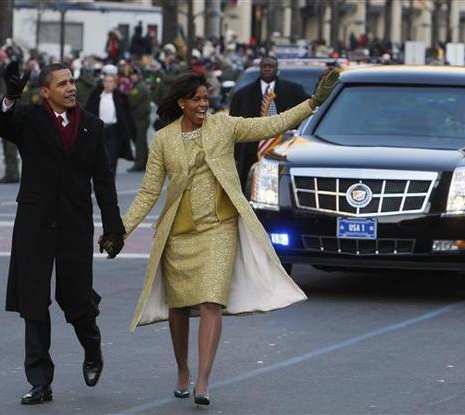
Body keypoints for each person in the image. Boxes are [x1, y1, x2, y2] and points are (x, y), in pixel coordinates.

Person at [122, 69, 339, 406]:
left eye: (206, 99)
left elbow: (269, 125)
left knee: (211, 302)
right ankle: (183, 370)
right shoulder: (164, 140)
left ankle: (204, 381)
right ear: (181, 103)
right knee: (179, 308)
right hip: (179, 235)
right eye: (196, 100)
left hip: (219, 228)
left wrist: (313, 102)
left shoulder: (223, 125)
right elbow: (149, 191)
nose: (203, 105)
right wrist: (120, 231)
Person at [0, 62, 126, 404]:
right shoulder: (29, 119)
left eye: (71, 81)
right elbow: (1, 125)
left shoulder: (93, 127)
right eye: (62, 83)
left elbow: (104, 182)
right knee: (34, 301)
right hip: (34, 222)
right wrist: (9, 97)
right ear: (45, 92)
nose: (71, 88)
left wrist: (113, 228)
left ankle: (92, 346)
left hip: (74, 223)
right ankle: (40, 381)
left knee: (76, 298)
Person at [229, 55, 309, 189]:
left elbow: (307, 111)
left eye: (270, 66)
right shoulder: (242, 95)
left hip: (283, 148)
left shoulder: (294, 90)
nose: (267, 69)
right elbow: (233, 127)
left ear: (277, 69)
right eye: (264, 66)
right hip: (250, 150)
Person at [86, 73, 135, 175]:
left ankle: (110, 185)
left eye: (110, 82)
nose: (108, 84)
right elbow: (88, 113)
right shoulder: (96, 96)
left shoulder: (121, 97)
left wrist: (129, 132)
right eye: (106, 81)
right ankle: (100, 183)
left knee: (112, 159)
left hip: (114, 131)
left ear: (115, 84)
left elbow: (127, 116)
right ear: (103, 83)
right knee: (99, 159)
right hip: (99, 131)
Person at [127, 66, 151, 172]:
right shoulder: (138, 86)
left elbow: (132, 101)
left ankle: (139, 164)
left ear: (138, 75)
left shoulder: (139, 87)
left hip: (140, 118)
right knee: (142, 141)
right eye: (131, 75)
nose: (132, 77)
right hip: (140, 118)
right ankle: (145, 162)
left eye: (134, 75)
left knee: (139, 142)